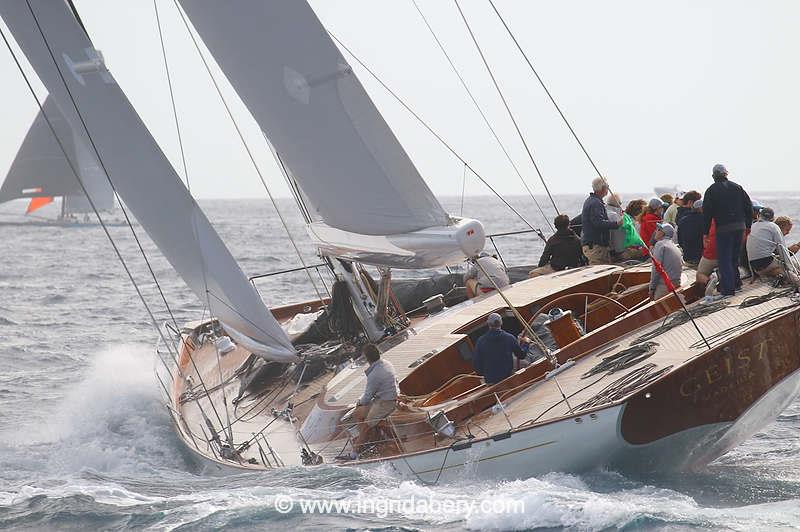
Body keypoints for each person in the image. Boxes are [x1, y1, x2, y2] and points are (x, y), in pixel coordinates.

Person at [702, 164, 753, 296]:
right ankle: (737, 284)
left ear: (713, 176)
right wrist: (747, 226)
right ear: (726, 174)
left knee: (724, 260)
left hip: (724, 229)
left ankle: (728, 290)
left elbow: (707, 214)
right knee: (734, 259)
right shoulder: (737, 187)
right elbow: (749, 207)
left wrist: (705, 233)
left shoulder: (711, 191)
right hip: (740, 227)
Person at [347, 344, 399, 458]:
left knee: (366, 425)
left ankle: (354, 453)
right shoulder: (387, 364)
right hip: (386, 399)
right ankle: (371, 440)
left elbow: (366, 398)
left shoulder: (374, 375)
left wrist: (358, 402)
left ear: (367, 359)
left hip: (386, 403)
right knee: (358, 413)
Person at [472, 313, 530, 384]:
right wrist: (526, 343)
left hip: (491, 381)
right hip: (508, 377)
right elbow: (521, 355)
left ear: (488, 323)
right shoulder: (509, 338)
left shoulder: (480, 341)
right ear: (501, 323)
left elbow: (476, 363)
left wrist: (482, 374)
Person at [580, 177, 622, 264]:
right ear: (603, 188)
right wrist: (617, 223)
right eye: (607, 186)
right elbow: (598, 223)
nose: (608, 188)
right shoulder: (596, 203)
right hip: (596, 247)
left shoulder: (591, 201)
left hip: (593, 245)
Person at [746, 207, 787, 278]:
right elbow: (782, 249)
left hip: (755, 267)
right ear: (772, 218)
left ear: (759, 215)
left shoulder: (752, 226)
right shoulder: (773, 226)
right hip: (767, 263)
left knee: (779, 269)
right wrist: (790, 265)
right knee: (792, 267)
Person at [649, 223, 683, 300]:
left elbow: (656, 269)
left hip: (664, 286)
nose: (656, 231)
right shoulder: (674, 246)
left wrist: (652, 288)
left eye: (658, 229)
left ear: (663, 233)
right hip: (676, 284)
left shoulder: (660, 244)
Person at [677, 198, 705, 266]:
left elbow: (680, 240)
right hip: (702, 257)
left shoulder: (682, 220)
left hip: (687, 257)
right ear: (701, 208)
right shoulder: (705, 220)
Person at [697, 218, 718, 285]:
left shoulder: (711, 220)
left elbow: (706, 242)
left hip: (712, 253)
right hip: (731, 252)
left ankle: (711, 284)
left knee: (700, 275)